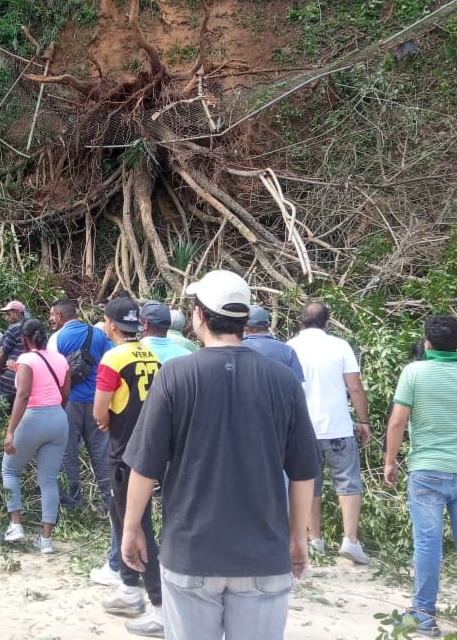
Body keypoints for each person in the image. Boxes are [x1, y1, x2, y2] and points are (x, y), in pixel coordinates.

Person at [121, 270, 318, 640]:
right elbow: (304, 472)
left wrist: (132, 528)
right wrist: (297, 536)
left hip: (191, 554)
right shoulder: (284, 380)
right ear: (246, 320)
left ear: (198, 316)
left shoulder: (176, 375)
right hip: (264, 557)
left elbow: (145, 465)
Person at [383, 315, 457, 637]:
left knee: (428, 545)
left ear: (427, 342)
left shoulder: (414, 372)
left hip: (427, 471)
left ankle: (423, 615)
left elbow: (397, 422)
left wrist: (390, 461)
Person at [94, 297, 164, 638]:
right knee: (119, 515)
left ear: (111, 324)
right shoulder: (151, 354)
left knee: (138, 526)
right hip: (148, 445)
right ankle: (129, 589)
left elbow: (98, 411)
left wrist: (106, 422)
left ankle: (160, 606)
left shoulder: (113, 356)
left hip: (123, 451)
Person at [287, 301, 371, 564]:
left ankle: (315, 540)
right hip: (337, 428)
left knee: (309, 484)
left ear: (301, 321)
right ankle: (350, 541)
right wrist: (364, 420)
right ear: (328, 322)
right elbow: (355, 387)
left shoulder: (289, 347)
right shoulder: (340, 346)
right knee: (347, 483)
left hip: (303, 430)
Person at [2, 318, 71, 552]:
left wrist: (11, 431)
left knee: (10, 470)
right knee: (49, 481)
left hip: (32, 418)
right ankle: (46, 540)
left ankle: (16, 525)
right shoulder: (61, 359)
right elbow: (65, 393)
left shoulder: (25, 359)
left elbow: (22, 395)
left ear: (24, 339)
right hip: (59, 418)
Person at [47, 298, 112, 515]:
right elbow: (108, 362)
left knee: (67, 452)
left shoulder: (57, 338)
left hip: (69, 402)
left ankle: (71, 503)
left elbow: (53, 374)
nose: (50, 319)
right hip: (97, 401)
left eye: (52, 315)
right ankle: (110, 502)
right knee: (101, 452)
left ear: (59, 316)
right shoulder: (99, 334)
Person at [242, 305, 304, 382]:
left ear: (245, 327)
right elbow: (298, 387)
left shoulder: (235, 350)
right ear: (268, 325)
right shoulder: (287, 351)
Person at [0, 300, 27, 414]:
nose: (6, 318)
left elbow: (3, 352)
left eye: (8, 314)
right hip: (27, 379)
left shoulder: (14, 328)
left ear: (17, 313)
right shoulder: (34, 326)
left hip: (10, 378)